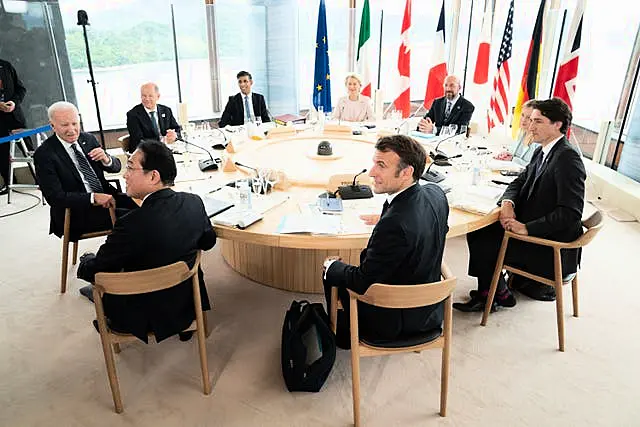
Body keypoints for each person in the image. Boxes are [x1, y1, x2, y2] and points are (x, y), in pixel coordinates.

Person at [76, 141, 216, 343]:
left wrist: (85, 261)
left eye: (131, 167)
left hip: (143, 316)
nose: (125, 175)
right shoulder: (194, 202)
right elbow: (208, 242)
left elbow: (97, 270)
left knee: (102, 277)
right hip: (187, 303)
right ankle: (183, 326)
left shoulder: (130, 224)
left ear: (153, 176)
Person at [455, 98, 586, 312]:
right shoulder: (543, 150)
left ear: (558, 124)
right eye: (531, 120)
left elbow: (570, 213)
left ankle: (493, 293)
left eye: (538, 122)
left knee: (483, 235)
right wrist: (507, 203)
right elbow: (519, 181)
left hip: (551, 247)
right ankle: (497, 292)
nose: (530, 126)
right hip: (539, 229)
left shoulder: (567, 159)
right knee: (483, 230)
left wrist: (527, 228)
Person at [323, 134, 449, 348]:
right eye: (374, 163)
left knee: (332, 272)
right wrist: (390, 214)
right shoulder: (435, 194)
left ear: (407, 172)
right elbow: (428, 226)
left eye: (381, 165)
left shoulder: (394, 226)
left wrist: (331, 266)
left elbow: (362, 281)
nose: (372, 172)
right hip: (431, 313)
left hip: (393, 322)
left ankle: (345, 338)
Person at [34, 101, 137, 242]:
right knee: (135, 218)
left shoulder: (87, 139)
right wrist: (93, 197)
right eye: (65, 125)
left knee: (147, 204)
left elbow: (117, 167)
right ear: (52, 126)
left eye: (75, 124)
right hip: (76, 212)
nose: (72, 130)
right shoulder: (44, 154)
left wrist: (106, 159)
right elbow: (55, 198)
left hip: (107, 198)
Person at [126, 82, 181, 153]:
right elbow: (138, 140)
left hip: (167, 150)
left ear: (158, 96)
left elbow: (177, 129)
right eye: (144, 96)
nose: (147, 99)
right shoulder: (133, 115)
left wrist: (174, 135)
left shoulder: (166, 110)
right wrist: (163, 141)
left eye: (150, 96)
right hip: (146, 153)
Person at [0, 58, 27, 193]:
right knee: (2, 153)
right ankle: (9, 183)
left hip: (14, 116)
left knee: (28, 148)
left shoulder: (6, 66)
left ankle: (41, 179)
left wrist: (14, 103)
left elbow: (21, 89)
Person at [494, 99, 540, 166]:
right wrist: (506, 155)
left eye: (528, 117)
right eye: (522, 115)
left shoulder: (539, 141)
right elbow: (513, 153)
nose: (523, 120)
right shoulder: (521, 132)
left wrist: (513, 159)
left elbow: (533, 168)